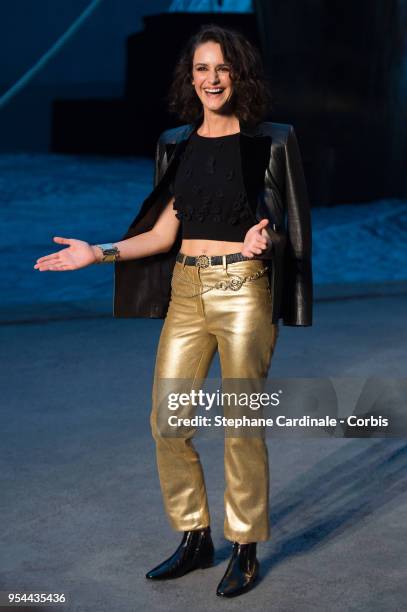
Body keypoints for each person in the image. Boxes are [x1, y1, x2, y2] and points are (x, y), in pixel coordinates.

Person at [34, 24, 312, 599]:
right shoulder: (177, 144)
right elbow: (162, 233)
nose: (211, 79)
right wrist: (98, 253)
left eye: (222, 67)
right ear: (191, 78)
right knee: (168, 421)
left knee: (241, 424)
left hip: (242, 291)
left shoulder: (272, 141)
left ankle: (245, 546)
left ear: (239, 74)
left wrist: (266, 242)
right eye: (201, 69)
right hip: (186, 294)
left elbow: (286, 228)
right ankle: (194, 537)